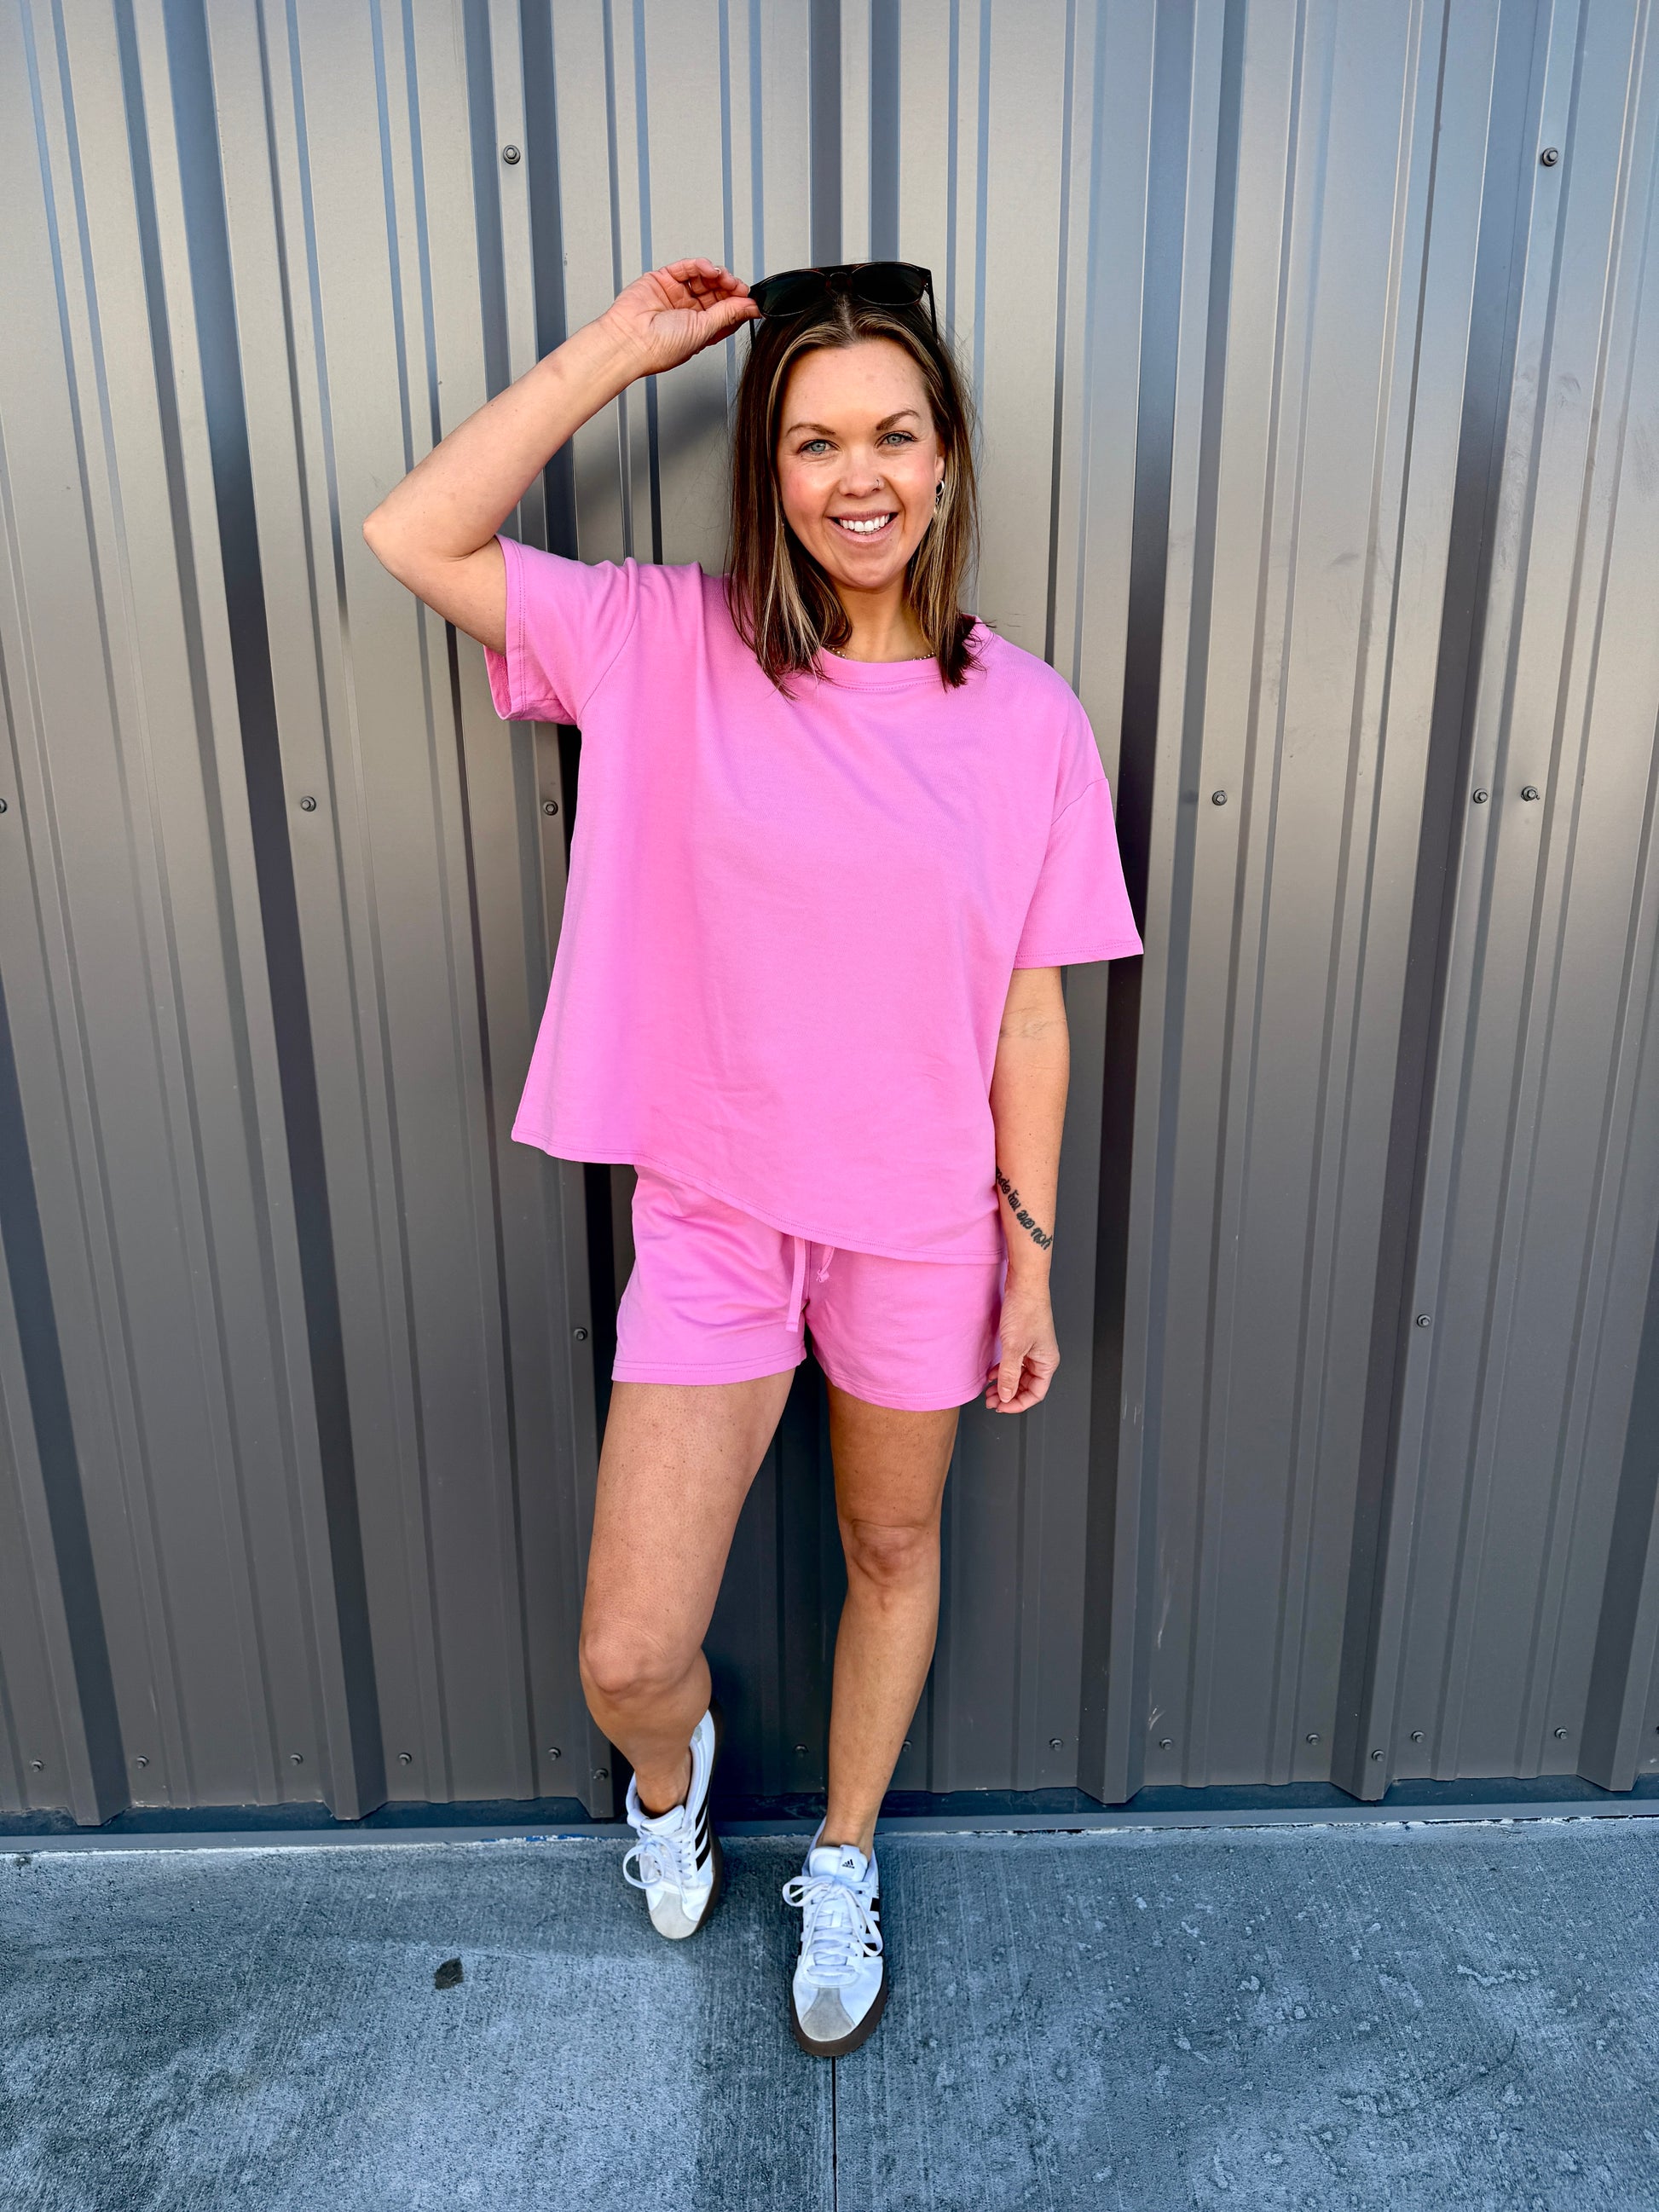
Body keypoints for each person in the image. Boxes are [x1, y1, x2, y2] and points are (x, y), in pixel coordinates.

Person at [362, 257, 1142, 2058]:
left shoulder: (1028, 717)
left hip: (922, 1225)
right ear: (768, 471)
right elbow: (417, 531)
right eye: (812, 441)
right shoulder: (663, 640)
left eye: (893, 433)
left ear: (946, 457)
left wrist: (1027, 1260)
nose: (858, 476)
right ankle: (675, 1781)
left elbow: (1030, 1016)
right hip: (718, 1216)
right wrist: (621, 350)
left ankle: (844, 1855)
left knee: (891, 1542)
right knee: (629, 1651)